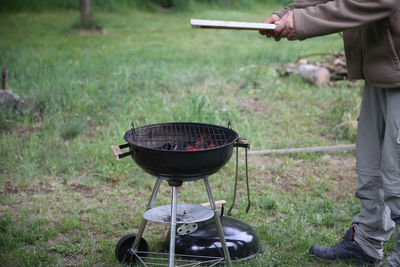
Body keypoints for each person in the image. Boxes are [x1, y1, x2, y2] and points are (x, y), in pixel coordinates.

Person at [260, 1, 400, 266]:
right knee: (370, 164)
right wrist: (287, 13)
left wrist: (301, 21)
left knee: (398, 169)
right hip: (382, 72)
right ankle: (366, 242)